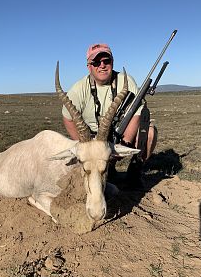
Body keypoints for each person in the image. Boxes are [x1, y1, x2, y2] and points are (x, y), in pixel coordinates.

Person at [62, 43, 157, 187]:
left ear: (112, 62)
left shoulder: (125, 81)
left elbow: (136, 114)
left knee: (149, 133)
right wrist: (84, 147)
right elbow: (68, 118)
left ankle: (134, 174)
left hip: (119, 135)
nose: (102, 65)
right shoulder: (78, 89)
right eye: (96, 62)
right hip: (92, 140)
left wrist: (122, 143)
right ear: (89, 66)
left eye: (107, 61)